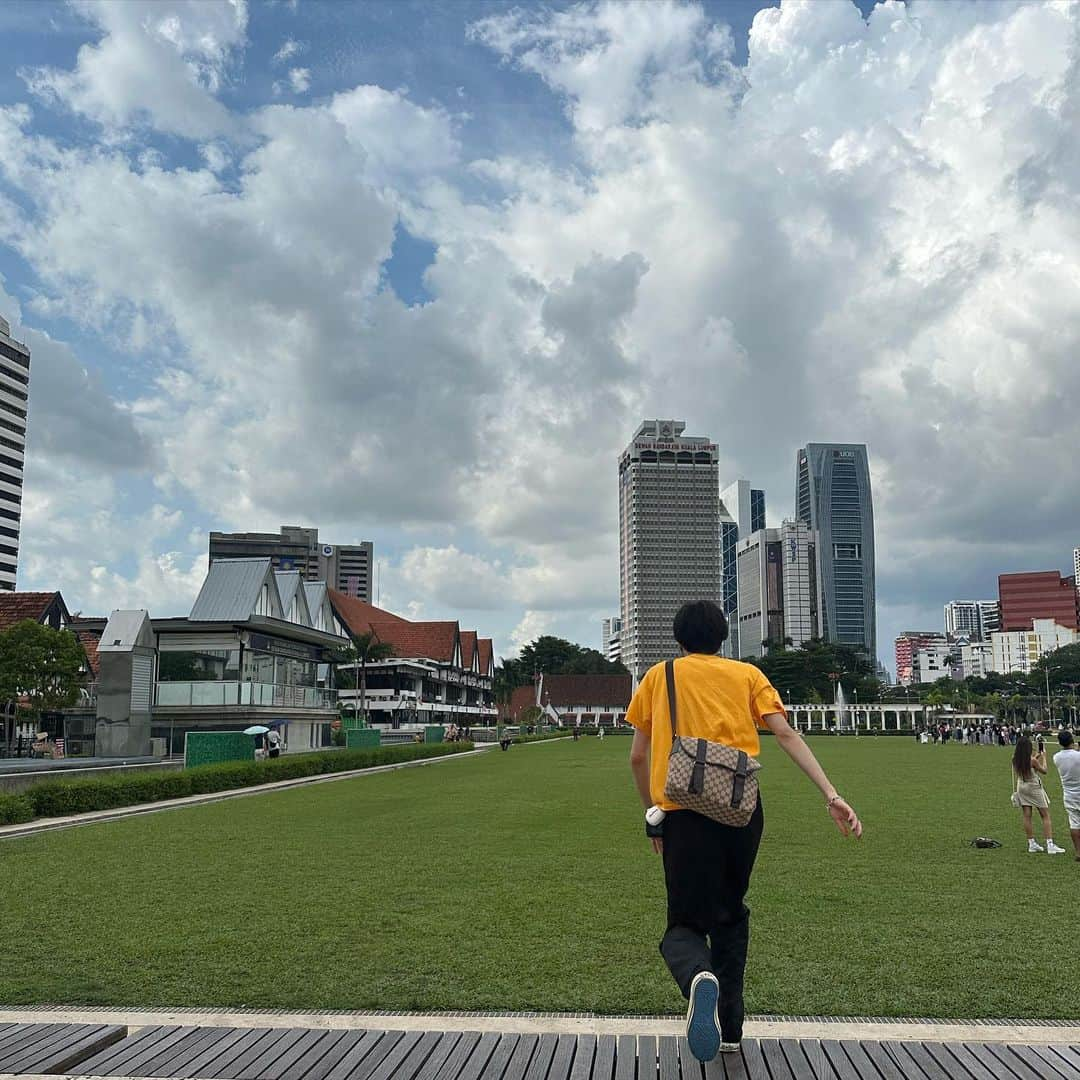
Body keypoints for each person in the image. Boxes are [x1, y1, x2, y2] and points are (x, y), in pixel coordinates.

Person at [625, 600, 862, 1063]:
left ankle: (697, 976)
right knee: (730, 915)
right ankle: (731, 1029)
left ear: (679, 640)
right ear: (723, 638)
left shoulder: (660, 677)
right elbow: (787, 734)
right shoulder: (747, 675)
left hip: (684, 813)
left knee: (683, 927)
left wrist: (653, 813)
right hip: (741, 811)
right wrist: (831, 794)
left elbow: (637, 757)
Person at [1012, 736, 1064, 854]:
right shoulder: (1032, 761)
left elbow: (1027, 765)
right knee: (1045, 815)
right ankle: (1050, 844)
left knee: (1027, 815)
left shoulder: (1015, 759)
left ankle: (1031, 843)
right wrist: (1044, 757)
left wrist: (1036, 757)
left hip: (1021, 786)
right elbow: (1044, 770)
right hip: (1033, 787)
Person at [1052, 730, 1080, 861]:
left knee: (1074, 823)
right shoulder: (1077, 755)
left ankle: (1078, 852)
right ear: (1072, 741)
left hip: (1069, 794)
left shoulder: (1056, 757)